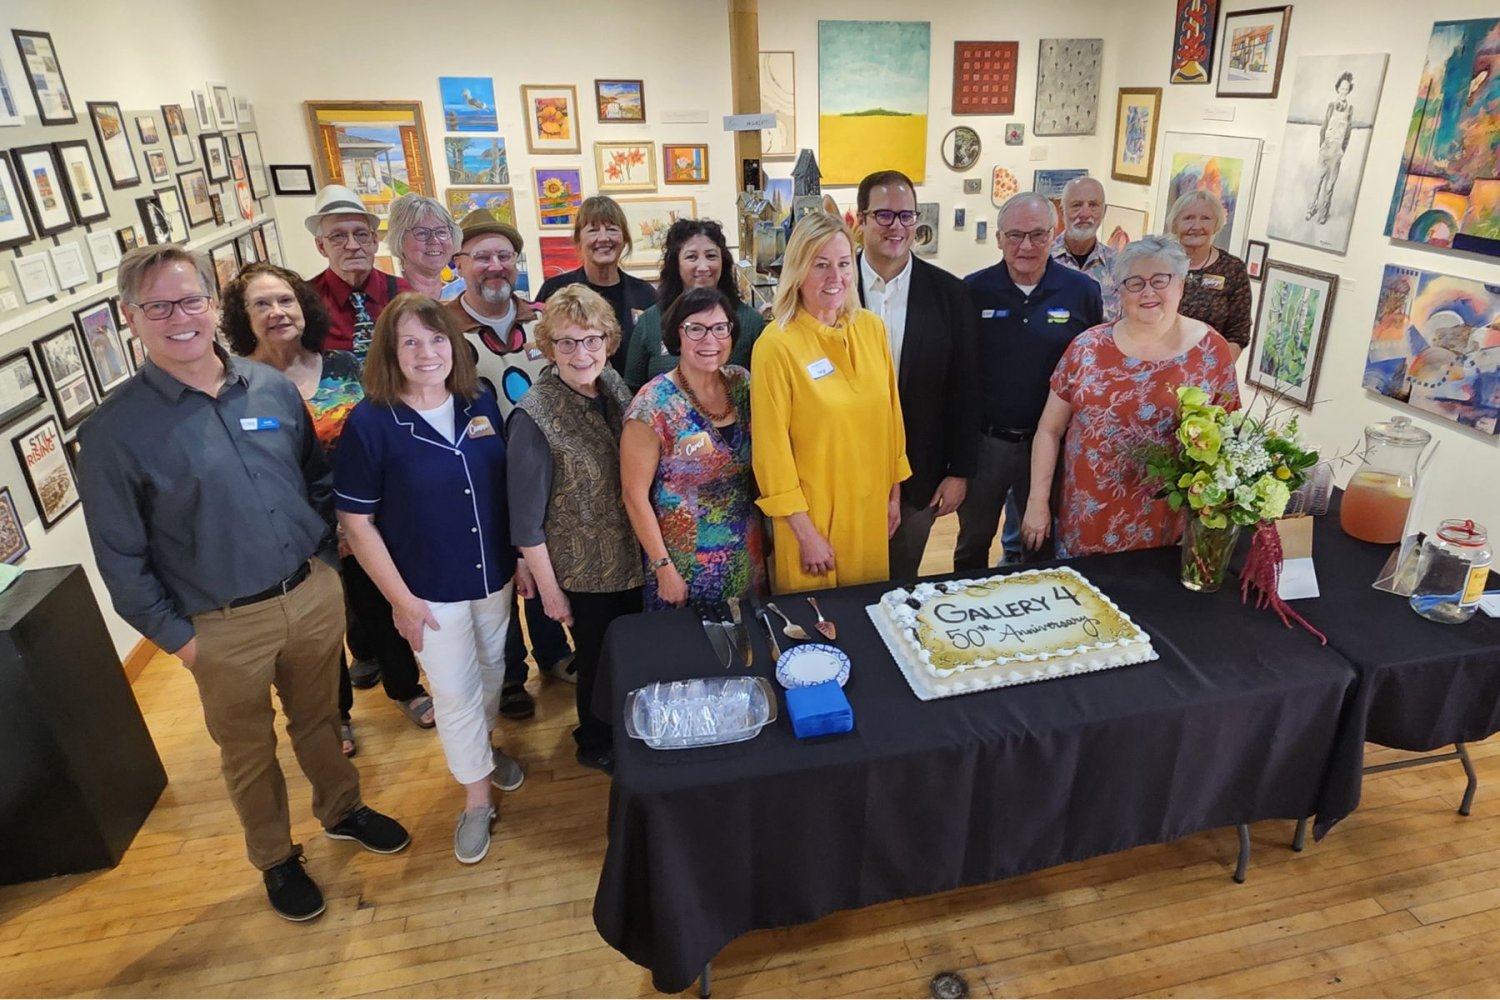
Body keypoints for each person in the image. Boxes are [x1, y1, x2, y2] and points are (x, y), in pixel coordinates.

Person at [76, 245, 409, 923]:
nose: (179, 318)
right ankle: (276, 858)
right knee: (249, 750)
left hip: (310, 595)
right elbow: (121, 559)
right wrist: (182, 641)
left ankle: (342, 810)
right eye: (158, 307)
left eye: (190, 300)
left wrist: (325, 565)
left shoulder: (270, 388)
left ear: (211, 303)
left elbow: (315, 479)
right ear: (128, 317)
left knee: (322, 720)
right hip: (218, 625)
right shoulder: (113, 433)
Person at [334, 293, 527, 865]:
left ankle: (482, 753)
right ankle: (476, 799)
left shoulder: (478, 402)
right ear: (389, 353)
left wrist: (520, 559)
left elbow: (504, 490)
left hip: (493, 576)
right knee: (454, 691)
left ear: (454, 344)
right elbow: (357, 523)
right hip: (427, 590)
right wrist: (401, 601)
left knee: (491, 674)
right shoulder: (370, 423)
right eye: (410, 342)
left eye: (437, 339)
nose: (427, 353)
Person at [220, 262, 435, 746]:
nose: (277, 312)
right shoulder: (236, 386)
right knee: (316, 628)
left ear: (304, 308)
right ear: (241, 316)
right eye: (261, 304)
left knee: (381, 606)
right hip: (291, 528)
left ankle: (406, 688)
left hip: (368, 518)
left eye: (286, 300)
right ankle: (334, 712)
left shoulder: (344, 365)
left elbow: (384, 434)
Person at [1022, 236, 1241, 558]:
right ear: (1120, 291)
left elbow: (1227, 441)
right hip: (1088, 518)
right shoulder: (1087, 347)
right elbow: (1049, 429)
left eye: (1160, 280)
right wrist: (1037, 502)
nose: (1148, 292)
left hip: (1169, 523)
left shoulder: (1211, 351)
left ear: (1180, 285)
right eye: (1135, 283)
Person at [444, 209, 574, 723]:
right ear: (459, 263)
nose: (495, 266)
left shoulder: (544, 320)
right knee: (497, 577)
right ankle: (511, 674)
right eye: (482, 257)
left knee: (543, 560)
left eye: (504, 255)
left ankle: (554, 652)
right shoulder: (441, 328)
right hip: (476, 476)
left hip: (543, 471)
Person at [509, 286, 643, 776]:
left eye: (591, 339)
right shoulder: (534, 414)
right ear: (548, 347)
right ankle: (594, 741)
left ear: (608, 341)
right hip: (582, 571)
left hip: (632, 558)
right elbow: (525, 521)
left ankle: (627, 732)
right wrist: (550, 594)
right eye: (566, 342)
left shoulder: (612, 385)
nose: (580, 353)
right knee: (597, 661)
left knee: (628, 655)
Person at [751, 212, 911, 594]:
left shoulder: (871, 329)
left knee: (867, 609)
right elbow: (771, 454)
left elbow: (892, 417)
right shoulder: (776, 346)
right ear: (797, 271)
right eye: (820, 265)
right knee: (817, 619)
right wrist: (805, 534)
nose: (835, 276)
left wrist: (894, 494)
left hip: (870, 509)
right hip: (812, 520)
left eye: (843, 263)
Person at [956, 191, 1103, 570]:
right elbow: (957, 371)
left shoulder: (1082, 291)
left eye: (1038, 235)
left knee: (1040, 543)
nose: (1026, 246)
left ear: (1053, 236)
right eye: (1015, 235)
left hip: (1051, 444)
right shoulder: (972, 290)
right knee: (972, 542)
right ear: (999, 238)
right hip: (986, 445)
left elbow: (1092, 367)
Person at [854, 169, 979, 579]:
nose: (897, 226)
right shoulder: (831, 286)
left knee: (899, 582)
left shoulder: (951, 294)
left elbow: (965, 388)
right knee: (841, 589)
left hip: (918, 475)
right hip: (842, 471)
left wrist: (959, 471)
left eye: (906, 216)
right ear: (861, 219)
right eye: (884, 215)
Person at [621, 286, 765, 610]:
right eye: (696, 329)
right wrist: (663, 568)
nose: (710, 339)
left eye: (720, 328)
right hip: (682, 570)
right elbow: (633, 495)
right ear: (677, 335)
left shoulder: (743, 385)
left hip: (746, 561)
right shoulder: (652, 405)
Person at [622, 217, 765, 392]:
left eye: (711, 256)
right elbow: (632, 390)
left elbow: (765, 389)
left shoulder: (751, 322)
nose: (703, 266)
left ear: (723, 261)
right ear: (676, 263)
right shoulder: (649, 322)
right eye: (691, 257)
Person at [535, 195, 657, 374]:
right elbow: (541, 351)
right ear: (578, 239)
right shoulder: (554, 290)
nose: (603, 238)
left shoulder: (645, 293)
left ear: (625, 239)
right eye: (593, 230)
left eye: (612, 229)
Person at [305, 184, 411, 362]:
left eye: (361, 234)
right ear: (321, 246)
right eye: (338, 236)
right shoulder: (305, 301)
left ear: (374, 241)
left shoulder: (404, 293)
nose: (353, 245)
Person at [1166, 188, 1251, 360]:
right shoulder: (1158, 264)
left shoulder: (1233, 269)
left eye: (1205, 218)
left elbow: (1238, 333)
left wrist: (1216, 369)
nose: (1197, 226)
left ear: (1216, 225)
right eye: (1188, 218)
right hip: (1158, 360)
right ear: (1175, 224)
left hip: (1208, 365)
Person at [1049, 176, 1121, 322]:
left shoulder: (1119, 266)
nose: (1085, 214)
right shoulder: (1041, 260)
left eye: (1093, 205)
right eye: (1076, 205)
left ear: (1104, 211)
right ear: (1062, 211)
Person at [386, 194, 459, 300]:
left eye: (441, 232)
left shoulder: (467, 291)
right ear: (399, 239)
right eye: (422, 233)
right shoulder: (387, 296)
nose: (434, 240)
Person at [1308, 72, 1355, 226]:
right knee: (1316, 182)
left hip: (1337, 152)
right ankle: (1311, 209)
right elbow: (1323, 127)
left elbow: (1348, 133)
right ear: (1338, 89)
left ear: (1349, 91)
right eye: (1342, 88)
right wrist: (1322, 146)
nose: (1343, 91)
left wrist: (1342, 151)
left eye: (1346, 89)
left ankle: (1323, 214)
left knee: (1329, 186)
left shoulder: (1350, 109)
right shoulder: (1330, 106)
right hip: (1325, 148)